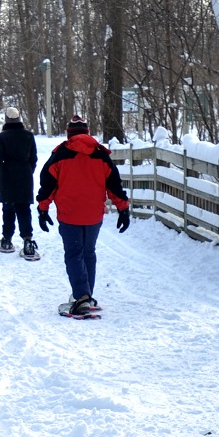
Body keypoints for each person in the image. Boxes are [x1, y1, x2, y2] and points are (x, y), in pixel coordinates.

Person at [35, 115, 131, 316]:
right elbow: (114, 184)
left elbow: (48, 184)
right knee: (88, 253)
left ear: (69, 133)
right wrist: (123, 208)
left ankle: (82, 298)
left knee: (73, 253)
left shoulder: (60, 154)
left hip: (69, 213)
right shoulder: (100, 155)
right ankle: (86, 294)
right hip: (93, 214)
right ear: (87, 133)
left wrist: (43, 209)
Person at [0, 106, 39, 259]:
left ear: (6, 119)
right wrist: (27, 171)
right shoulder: (28, 136)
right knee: (24, 209)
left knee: (8, 208)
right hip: (24, 176)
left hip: (7, 176)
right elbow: (34, 158)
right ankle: (27, 241)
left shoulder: (2, 137)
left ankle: (7, 240)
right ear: (19, 119)